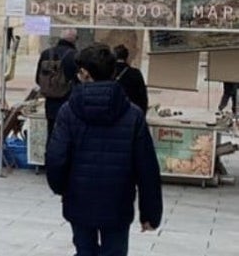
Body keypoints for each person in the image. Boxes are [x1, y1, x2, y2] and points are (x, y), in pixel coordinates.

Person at [47, 43, 163, 256]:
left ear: (84, 74)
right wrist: (150, 213)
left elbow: (56, 158)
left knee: (84, 250)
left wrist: (61, 187)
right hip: (118, 201)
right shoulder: (133, 114)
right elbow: (147, 167)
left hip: (79, 198)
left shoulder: (68, 111)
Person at [36, 28, 79, 144]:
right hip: (68, 102)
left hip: (50, 103)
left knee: (51, 134)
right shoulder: (74, 56)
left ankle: (50, 157)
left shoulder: (46, 53)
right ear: (74, 40)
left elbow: (37, 79)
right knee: (67, 136)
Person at [112, 45, 149, 114]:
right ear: (127, 57)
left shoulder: (108, 71)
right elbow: (143, 96)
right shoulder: (135, 73)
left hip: (112, 112)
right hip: (130, 113)